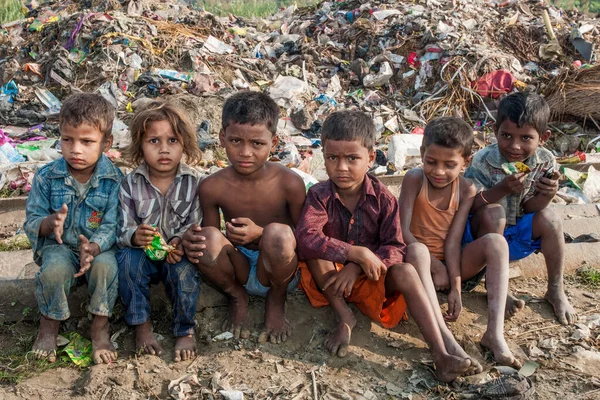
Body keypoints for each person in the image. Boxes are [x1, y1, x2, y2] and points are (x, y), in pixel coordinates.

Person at [295, 110, 472, 382]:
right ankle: (344, 318)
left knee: (407, 271)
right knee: (316, 252)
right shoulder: (319, 195)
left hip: (369, 278)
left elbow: (395, 246)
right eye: (333, 158)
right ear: (324, 156)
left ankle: (440, 354)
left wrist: (357, 265)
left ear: (371, 157)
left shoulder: (384, 198)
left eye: (352, 158)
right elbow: (306, 237)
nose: (341, 167)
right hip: (328, 280)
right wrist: (353, 252)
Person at [182, 91, 306, 343]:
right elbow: (212, 240)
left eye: (257, 143)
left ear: (274, 142)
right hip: (238, 266)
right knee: (204, 238)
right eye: (236, 141)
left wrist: (260, 234)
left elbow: (305, 235)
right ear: (222, 138)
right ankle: (237, 297)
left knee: (277, 233)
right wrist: (193, 239)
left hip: (278, 267)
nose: (245, 152)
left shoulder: (289, 182)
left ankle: (276, 298)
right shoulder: (212, 186)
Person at [399, 116, 519, 367]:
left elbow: (453, 242)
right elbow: (402, 232)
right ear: (422, 154)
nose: (439, 171)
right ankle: (444, 336)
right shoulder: (414, 179)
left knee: (497, 243)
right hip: (416, 263)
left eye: (449, 164)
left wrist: (455, 286)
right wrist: (436, 266)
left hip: (449, 264)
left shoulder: (466, 190)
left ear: (465, 162)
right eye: (431, 162)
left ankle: (495, 335)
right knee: (418, 250)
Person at [24, 93, 123, 364]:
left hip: (97, 250)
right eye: (67, 139)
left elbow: (114, 223)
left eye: (87, 141)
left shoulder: (114, 180)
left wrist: (94, 246)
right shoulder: (46, 177)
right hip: (60, 248)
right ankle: (49, 326)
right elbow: (32, 220)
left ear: (107, 143)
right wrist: (48, 223)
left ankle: (100, 327)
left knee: (107, 267)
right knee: (54, 269)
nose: (75, 149)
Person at [464, 92, 577, 325]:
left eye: (526, 138)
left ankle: (555, 289)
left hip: (516, 237)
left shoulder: (545, 162)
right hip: (484, 237)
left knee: (551, 218)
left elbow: (529, 207)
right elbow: (470, 206)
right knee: (494, 212)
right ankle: (497, 288)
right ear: (495, 131)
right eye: (506, 135)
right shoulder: (483, 161)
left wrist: (547, 195)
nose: (515, 146)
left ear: (543, 137)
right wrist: (503, 189)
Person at [117, 101, 203, 361]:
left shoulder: (195, 182)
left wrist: (179, 240)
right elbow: (122, 228)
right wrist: (135, 236)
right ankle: (141, 326)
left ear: (185, 145)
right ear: (140, 146)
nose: (164, 149)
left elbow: (196, 222)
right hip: (142, 254)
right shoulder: (130, 184)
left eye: (173, 140)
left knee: (186, 272)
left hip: (177, 254)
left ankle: (185, 329)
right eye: (154, 141)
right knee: (127, 264)